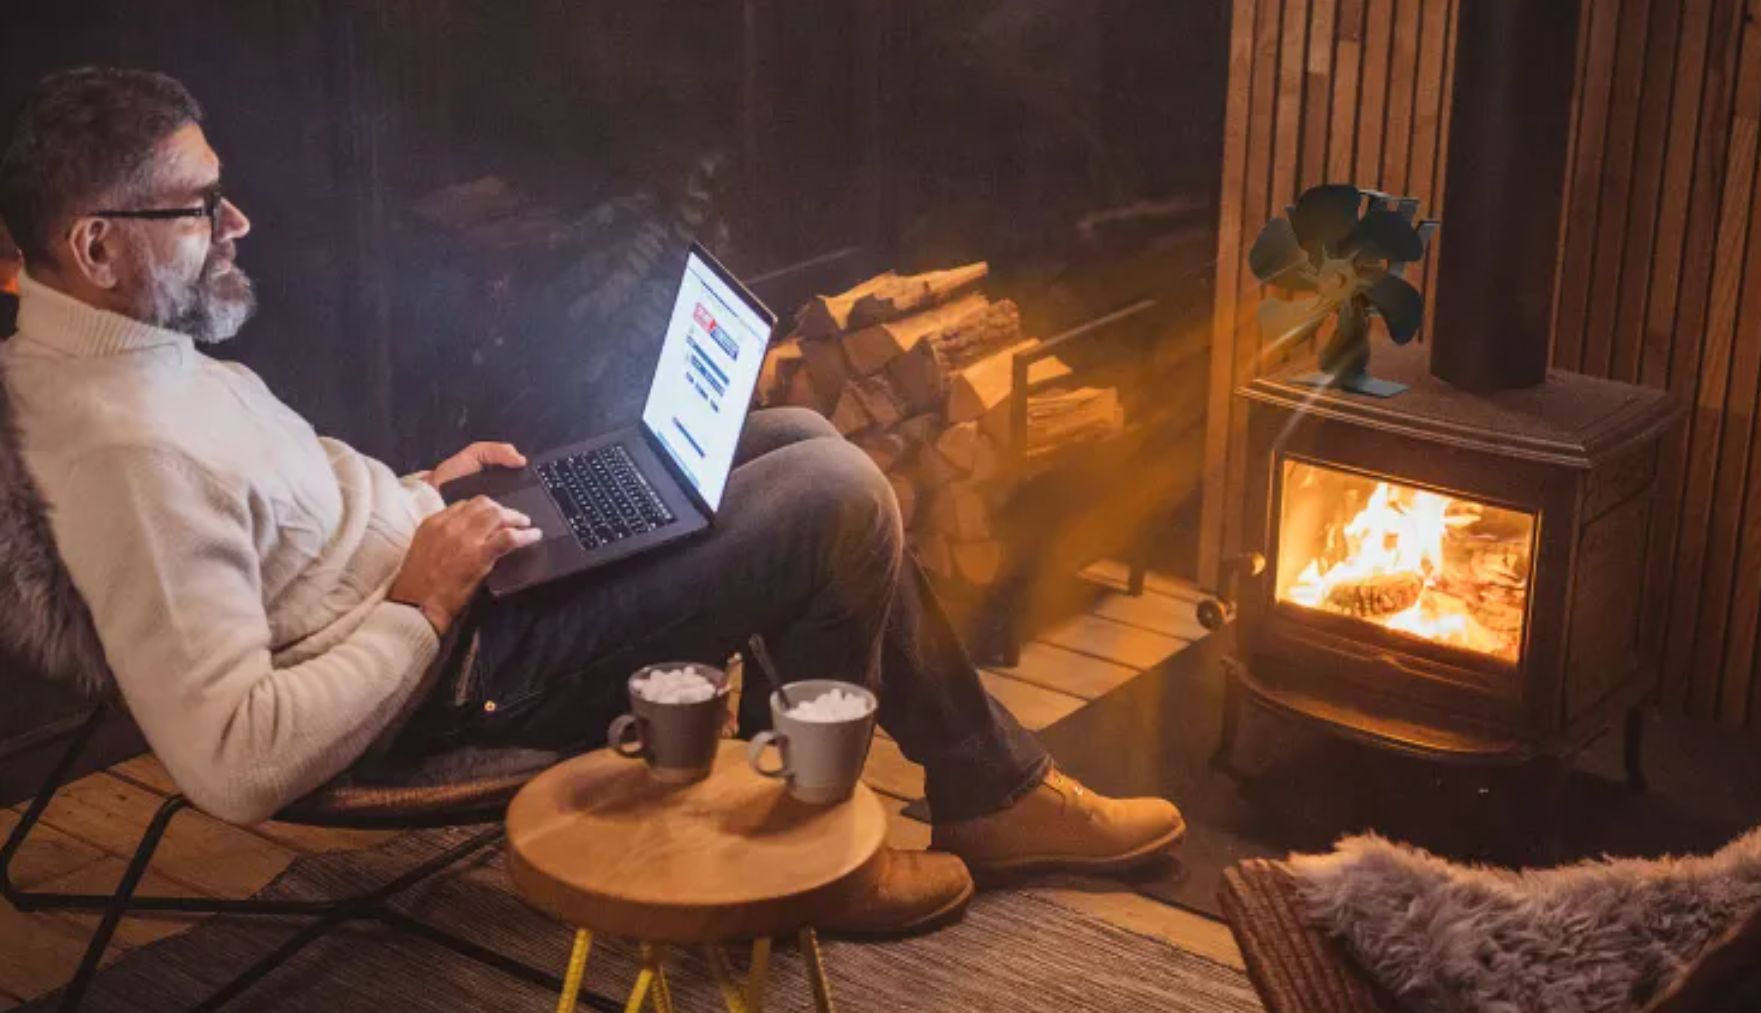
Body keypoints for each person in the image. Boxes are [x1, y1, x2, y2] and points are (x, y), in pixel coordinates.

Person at [0, 67, 1184, 936]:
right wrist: (421, 598)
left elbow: (288, 525)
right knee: (836, 492)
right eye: (201, 205)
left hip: (452, 584)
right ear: (96, 248)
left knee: (800, 431)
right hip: (454, 673)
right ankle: (821, 851)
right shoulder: (128, 455)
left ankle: (985, 789)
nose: (236, 223)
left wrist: (425, 492)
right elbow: (235, 761)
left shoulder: (119, 353)